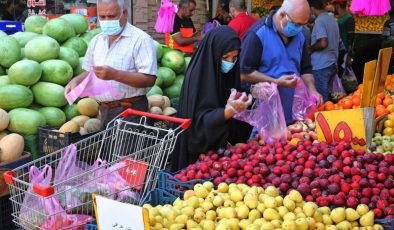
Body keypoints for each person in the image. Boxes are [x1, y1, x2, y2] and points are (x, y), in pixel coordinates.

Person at [65, 0, 157, 129]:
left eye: (112, 16)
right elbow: (92, 71)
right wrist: (76, 80)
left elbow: (149, 79)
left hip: (131, 112)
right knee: (109, 149)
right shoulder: (96, 40)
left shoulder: (141, 40)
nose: (107, 20)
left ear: (124, 13)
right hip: (105, 111)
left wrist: (115, 75)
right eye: (102, 17)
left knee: (127, 150)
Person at [172, 26, 253, 171]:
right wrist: (228, 112)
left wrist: (252, 93)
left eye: (235, 58)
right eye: (225, 57)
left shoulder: (228, 74)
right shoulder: (198, 78)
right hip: (198, 162)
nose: (230, 62)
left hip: (222, 160)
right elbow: (197, 124)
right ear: (213, 53)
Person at [240, 0, 322, 125]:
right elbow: (244, 73)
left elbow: (305, 69)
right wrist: (276, 81)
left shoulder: (300, 36)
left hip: (294, 112)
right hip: (266, 114)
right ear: (282, 15)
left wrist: (312, 89)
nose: (299, 28)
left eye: (303, 25)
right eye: (296, 24)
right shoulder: (257, 34)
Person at [309, 0, 340, 102]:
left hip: (321, 65)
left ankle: (324, 117)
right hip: (332, 62)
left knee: (322, 99)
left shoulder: (320, 21)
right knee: (330, 97)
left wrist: (310, 48)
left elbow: (323, 42)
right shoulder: (332, 20)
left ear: (312, 8)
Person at [332, 0, 355, 75]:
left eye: (334, 6)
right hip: (339, 52)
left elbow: (351, 39)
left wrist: (349, 56)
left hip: (344, 53)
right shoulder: (340, 18)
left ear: (337, 6)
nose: (333, 8)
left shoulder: (348, 18)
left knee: (342, 75)